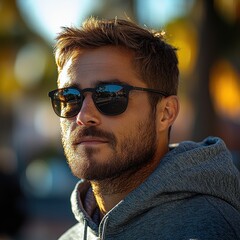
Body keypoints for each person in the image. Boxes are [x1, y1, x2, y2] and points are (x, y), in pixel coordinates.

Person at [48, 17, 240, 240]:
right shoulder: (70, 237)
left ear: (165, 113)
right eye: (70, 98)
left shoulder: (214, 230)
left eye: (110, 95)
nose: (84, 116)